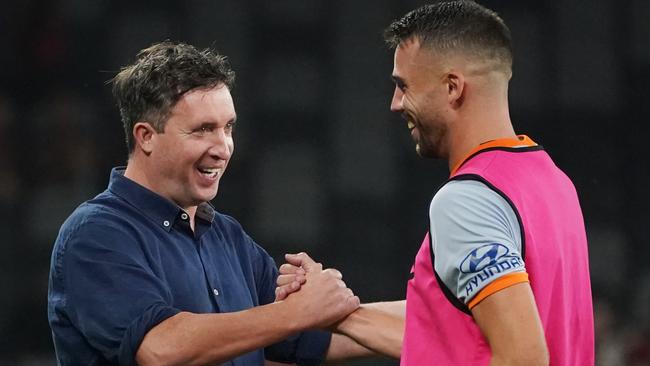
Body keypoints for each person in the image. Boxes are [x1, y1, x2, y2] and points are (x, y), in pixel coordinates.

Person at [277, 1, 595, 365]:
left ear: (452, 87)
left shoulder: (467, 200)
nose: (395, 104)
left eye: (403, 85)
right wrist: (337, 313)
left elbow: (524, 356)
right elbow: (455, 330)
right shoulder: (555, 184)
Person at [47, 41, 372, 366]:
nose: (224, 147)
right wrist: (298, 311)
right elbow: (160, 349)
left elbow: (310, 336)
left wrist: (419, 312)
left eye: (228, 127)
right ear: (146, 136)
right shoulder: (96, 234)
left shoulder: (227, 236)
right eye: (203, 130)